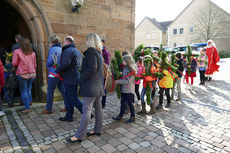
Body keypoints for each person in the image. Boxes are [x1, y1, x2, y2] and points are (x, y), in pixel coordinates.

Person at [66, 33, 104, 143]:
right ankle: (97, 129)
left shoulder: (91, 52)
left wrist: (81, 78)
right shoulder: (98, 52)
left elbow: (92, 68)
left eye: (86, 40)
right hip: (97, 86)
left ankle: (79, 135)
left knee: (86, 110)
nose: (85, 42)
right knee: (98, 109)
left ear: (91, 41)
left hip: (91, 86)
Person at [56, 36, 83, 122]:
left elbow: (65, 64)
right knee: (69, 97)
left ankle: (87, 113)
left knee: (72, 98)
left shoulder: (67, 51)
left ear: (67, 41)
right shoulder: (76, 50)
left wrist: (58, 69)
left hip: (70, 78)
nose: (63, 43)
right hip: (74, 77)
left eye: (64, 41)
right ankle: (69, 116)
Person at [42, 35, 66, 114]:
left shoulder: (52, 49)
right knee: (63, 90)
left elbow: (50, 61)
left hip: (53, 72)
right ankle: (67, 106)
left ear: (52, 42)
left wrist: (48, 66)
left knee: (50, 91)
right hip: (61, 73)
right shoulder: (61, 48)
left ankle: (49, 109)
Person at [12, 38, 36, 114]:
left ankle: (27, 108)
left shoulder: (17, 51)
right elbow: (35, 64)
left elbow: (14, 63)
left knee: (24, 91)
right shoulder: (32, 53)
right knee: (28, 89)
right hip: (32, 73)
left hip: (22, 74)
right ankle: (29, 103)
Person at [112, 54, 137, 123]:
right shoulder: (125, 68)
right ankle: (120, 115)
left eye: (123, 61)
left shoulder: (131, 69)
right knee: (122, 102)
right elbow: (125, 77)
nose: (122, 62)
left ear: (127, 61)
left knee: (129, 103)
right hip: (124, 89)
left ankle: (133, 116)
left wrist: (118, 81)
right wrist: (120, 74)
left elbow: (128, 81)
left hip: (129, 90)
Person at [101, 39, 110, 108]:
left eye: (101, 43)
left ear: (103, 43)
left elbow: (107, 64)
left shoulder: (105, 52)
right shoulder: (98, 50)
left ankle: (103, 103)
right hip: (98, 73)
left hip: (103, 73)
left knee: (104, 88)